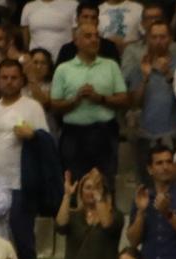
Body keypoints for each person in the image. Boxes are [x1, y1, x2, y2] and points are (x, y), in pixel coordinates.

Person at [0, 59, 50, 259]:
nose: (9, 82)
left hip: (19, 183)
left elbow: (47, 145)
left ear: (22, 80)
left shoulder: (32, 107)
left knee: (21, 236)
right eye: (4, 77)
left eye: (14, 78)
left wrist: (32, 135)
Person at [51, 22, 129, 182]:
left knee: (106, 184)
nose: (94, 40)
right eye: (88, 36)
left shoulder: (111, 66)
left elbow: (123, 99)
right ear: (76, 41)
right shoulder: (63, 69)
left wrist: (99, 98)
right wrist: (76, 99)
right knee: (75, 185)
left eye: (96, 36)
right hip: (73, 135)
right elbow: (55, 105)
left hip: (105, 133)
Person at [125, 19, 176, 180]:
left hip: (175, 135)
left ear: (170, 38)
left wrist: (168, 74)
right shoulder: (139, 66)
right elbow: (135, 103)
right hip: (147, 135)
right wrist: (145, 78)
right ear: (147, 39)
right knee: (147, 186)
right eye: (154, 37)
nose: (159, 41)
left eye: (163, 36)